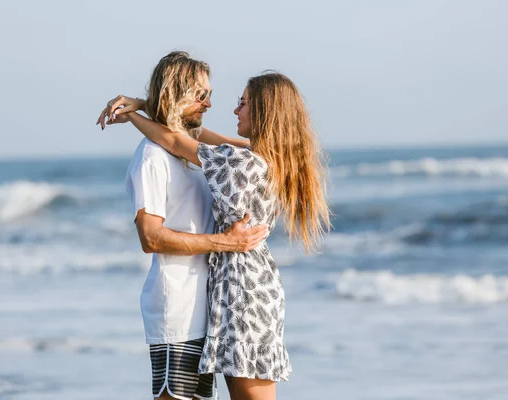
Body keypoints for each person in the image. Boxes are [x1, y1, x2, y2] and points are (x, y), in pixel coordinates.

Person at [101, 71, 331, 400]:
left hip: (243, 290)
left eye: (243, 103)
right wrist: (149, 105)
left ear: (264, 112)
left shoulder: (242, 165)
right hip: (249, 285)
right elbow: (197, 135)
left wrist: (134, 114)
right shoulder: (262, 159)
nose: (235, 110)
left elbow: (176, 141)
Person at [96, 51, 269, 400]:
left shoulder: (195, 156)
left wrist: (142, 105)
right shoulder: (152, 157)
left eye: (210, 95)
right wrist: (228, 243)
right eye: (200, 95)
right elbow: (151, 237)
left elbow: (251, 147)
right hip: (177, 309)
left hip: (208, 309)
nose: (208, 104)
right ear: (174, 96)